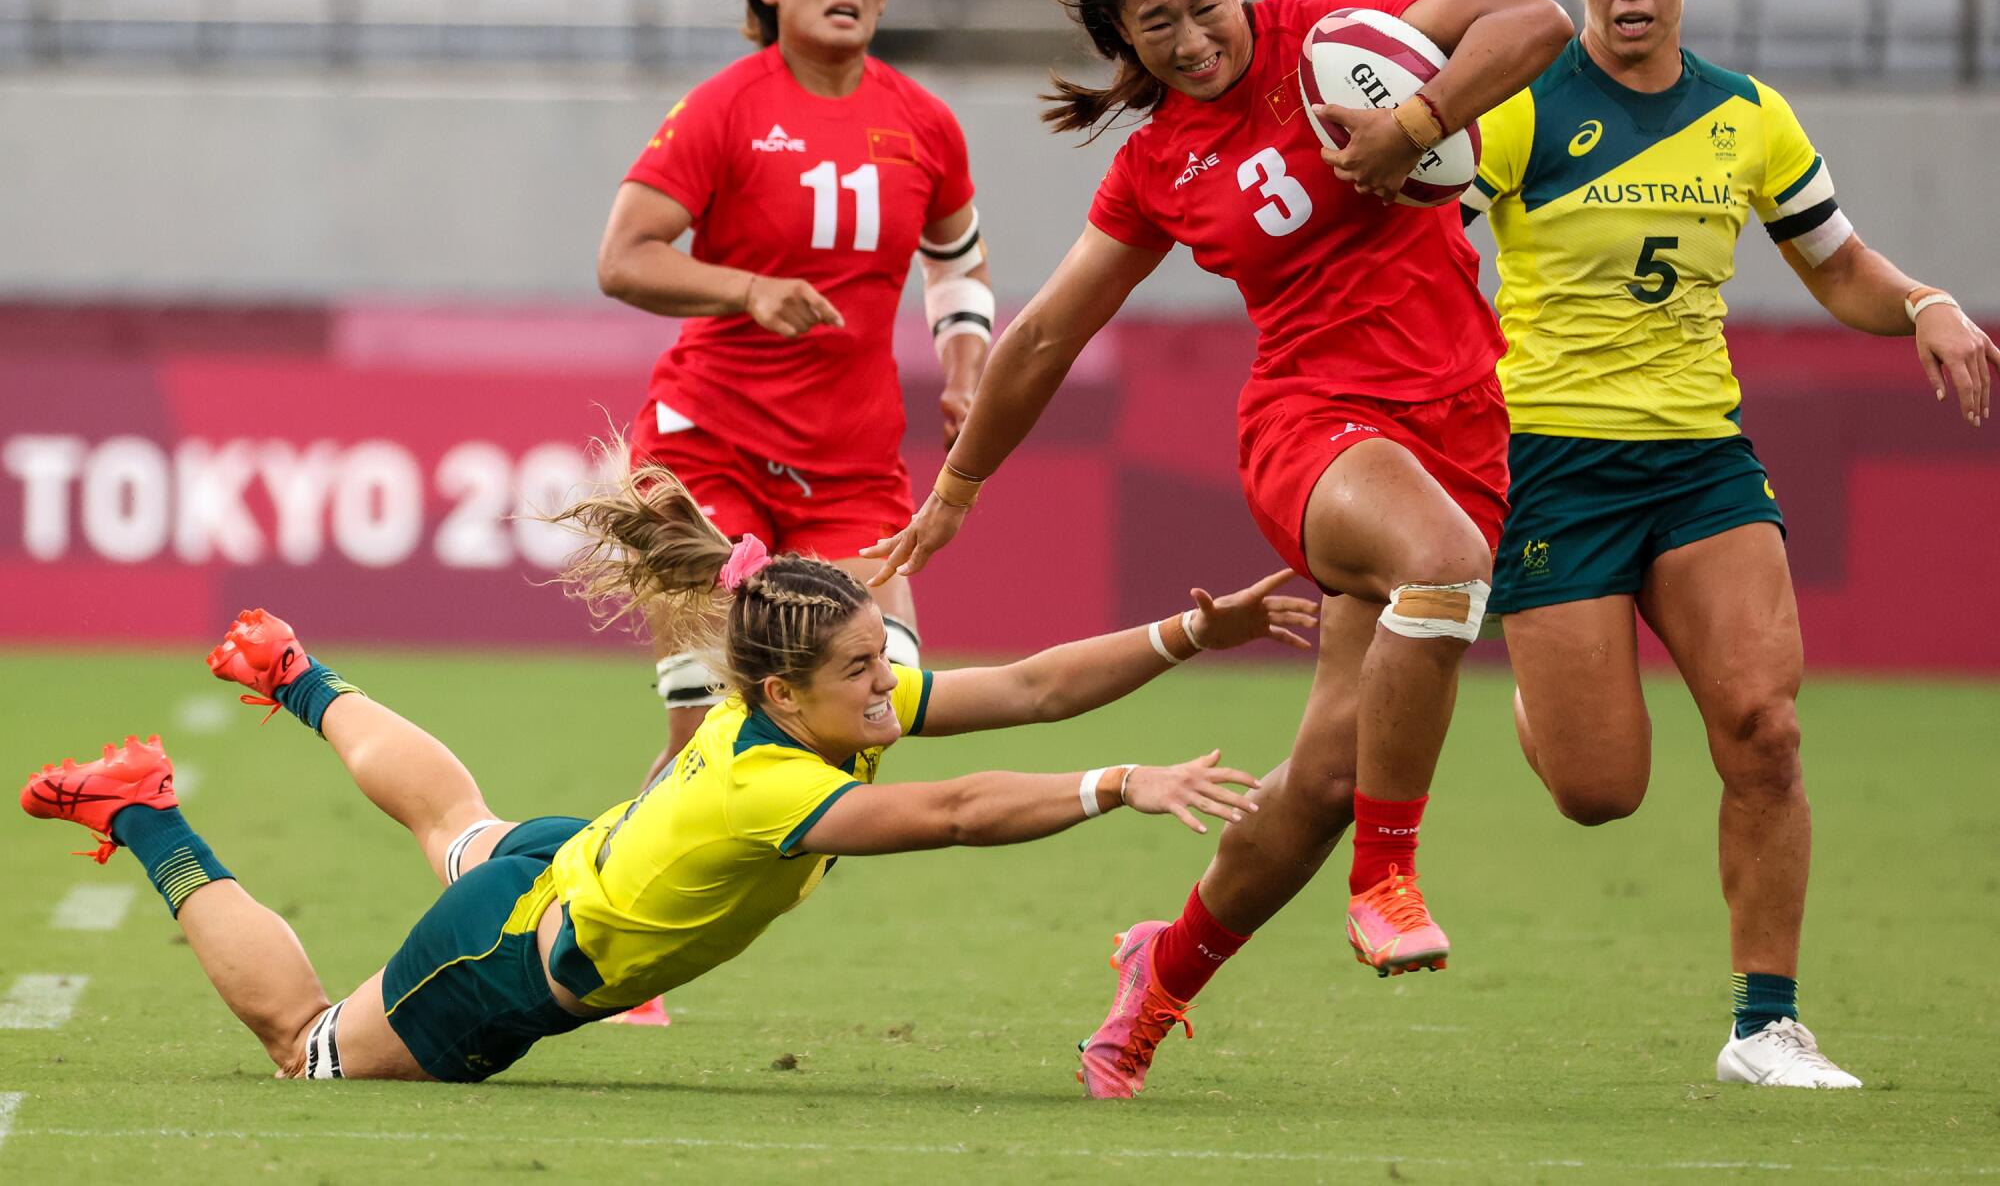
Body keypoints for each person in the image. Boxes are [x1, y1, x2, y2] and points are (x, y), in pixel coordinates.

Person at [863, 0, 1573, 1098]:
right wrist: (959, 487)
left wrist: (1418, 119)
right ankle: (1386, 884)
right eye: (1156, 26)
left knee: (1323, 782)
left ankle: (1157, 977)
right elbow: (1039, 339)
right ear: (1119, 43)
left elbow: (1535, 24)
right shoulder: (1155, 166)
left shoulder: (1337, 33)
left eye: (1205, 5)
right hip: (1313, 431)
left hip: (1459, 427)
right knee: (1444, 565)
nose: (1192, 39)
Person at [17, 456, 1313, 1084]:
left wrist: (1197, 628)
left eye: (885, 660)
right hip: (516, 962)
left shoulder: (817, 706)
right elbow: (961, 810)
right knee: (307, 1049)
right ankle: (148, 810)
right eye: (869, 671)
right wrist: (1112, 785)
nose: (893, 685)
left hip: (567, 867)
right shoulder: (775, 779)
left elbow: (1028, 685)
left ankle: (295, 672)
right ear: (783, 689)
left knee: (465, 822)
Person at [1459, 0, 1998, 1090]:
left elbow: (1835, 263)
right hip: (1552, 464)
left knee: (1763, 729)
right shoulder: (1524, 107)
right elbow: (1423, 236)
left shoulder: (1749, 114)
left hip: (1701, 461)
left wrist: (1921, 298)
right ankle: (1543, 698)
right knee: (1599, 791)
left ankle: (1765, 1024)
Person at [597, 0, 997, 785]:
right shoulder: (722, 107)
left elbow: (959, 262)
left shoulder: (927, 124)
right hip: (711, 442)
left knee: (870, 714)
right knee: (709, 732)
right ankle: (619, 907)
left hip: (852, 460)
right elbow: (624, 257)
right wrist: (746, 290)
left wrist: (967, 367)